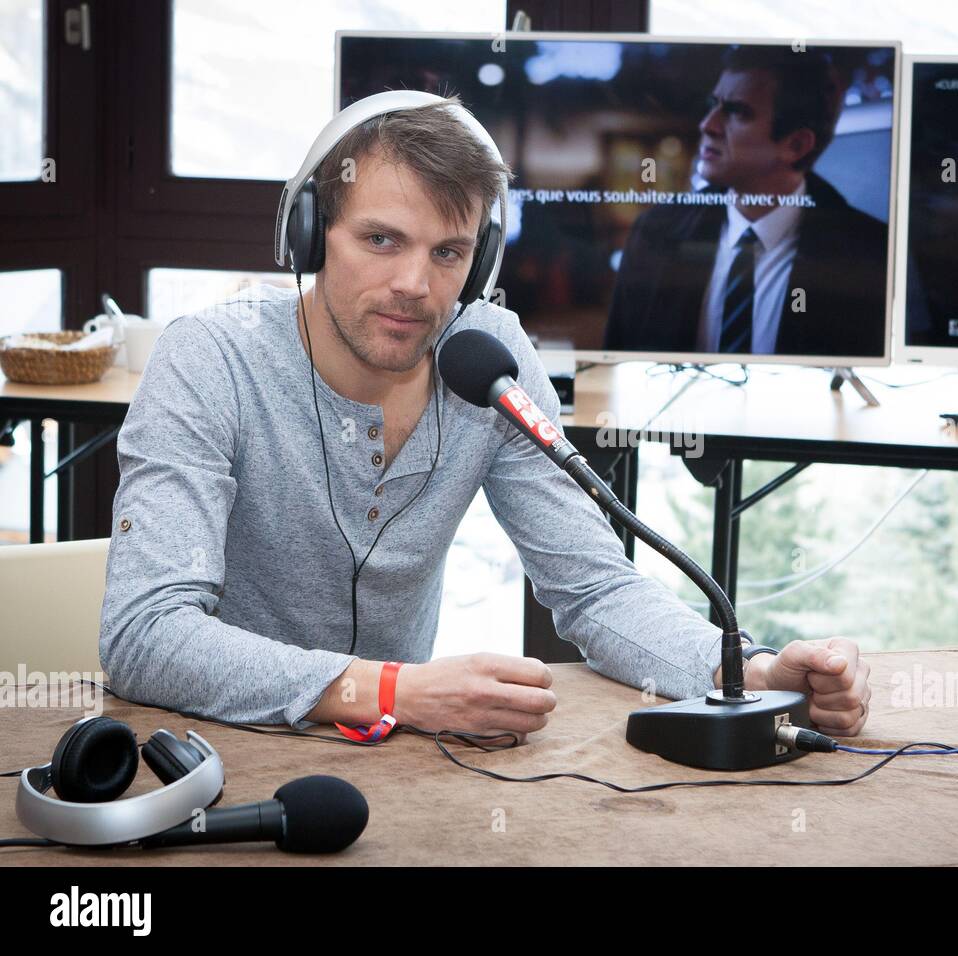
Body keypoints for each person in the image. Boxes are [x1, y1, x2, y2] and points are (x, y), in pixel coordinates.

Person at [99, 96, 872, 741]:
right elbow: (145, 636)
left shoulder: (486, 351)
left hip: (395, 772)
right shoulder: (209, 359)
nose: (414, 284)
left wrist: (745, 669)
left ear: (484, 257)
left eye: (448, 253)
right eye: (380, 240)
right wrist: (394, 690)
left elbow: (595, 589)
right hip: (215, 752)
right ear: (308, 234)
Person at [603, 46, 888, 357]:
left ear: (795, 145)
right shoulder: (655, 233)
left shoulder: (870, 252)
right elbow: (616, 365)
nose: (708, 125)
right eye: (714, 105)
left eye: (737, 111)